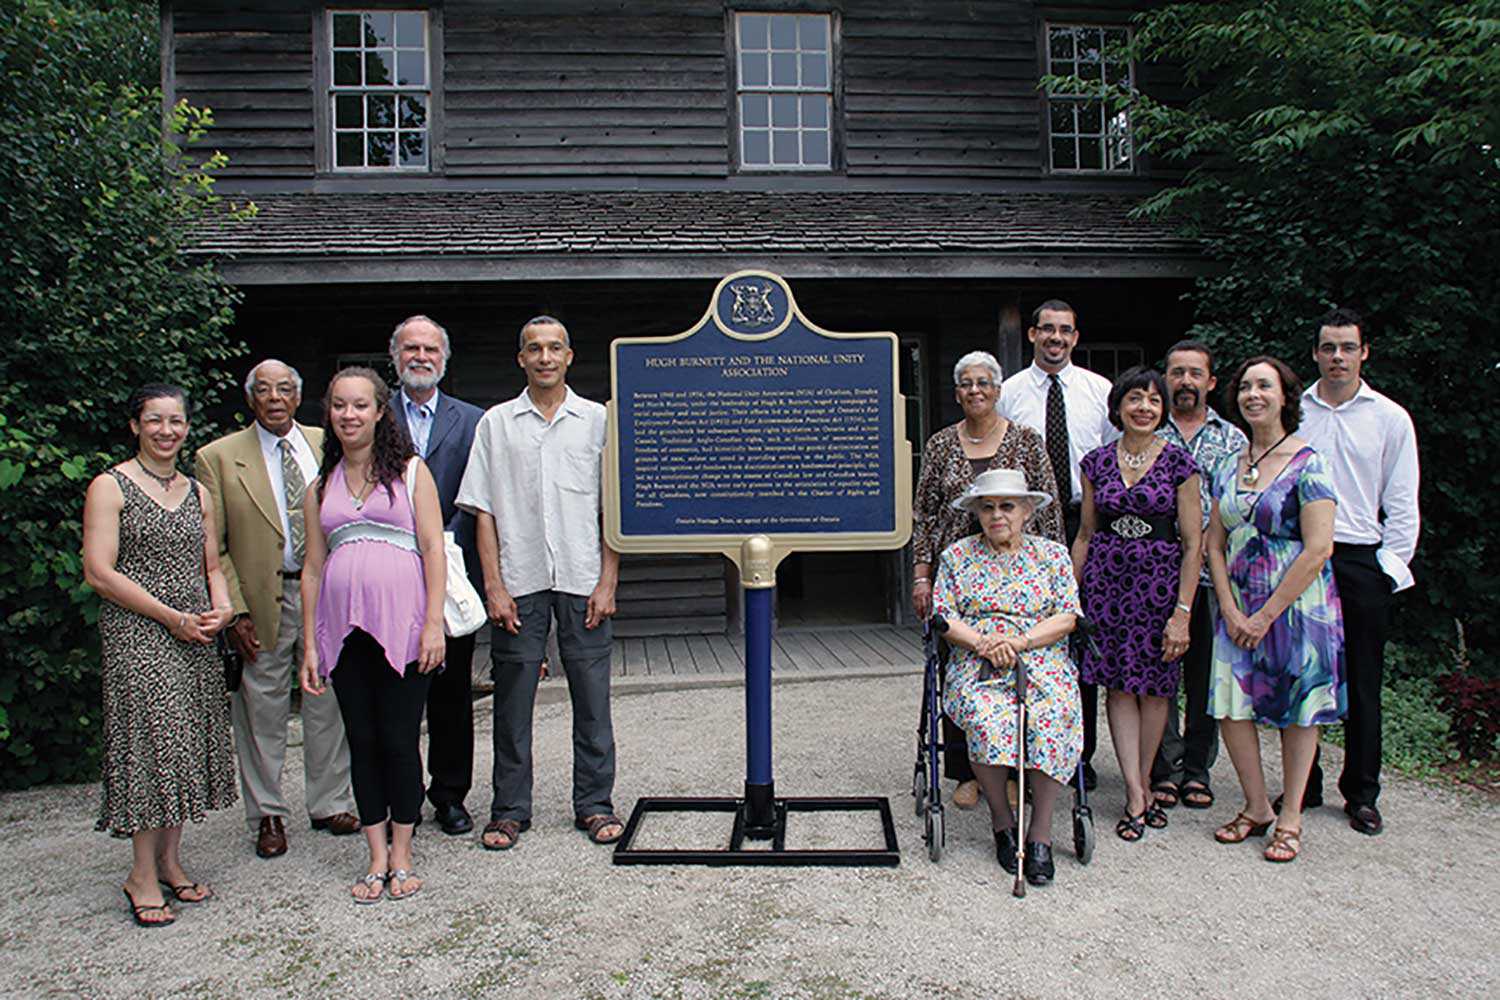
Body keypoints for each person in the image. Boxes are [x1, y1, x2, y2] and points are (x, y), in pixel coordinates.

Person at [456, 315, 622, 851]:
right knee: (512, 702)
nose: (545, 357)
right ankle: (509, 810)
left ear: (569, 357)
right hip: (520, 578)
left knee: (593, 701)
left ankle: (595, 805)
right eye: (534, 348)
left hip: (583, 578)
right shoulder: (497, 424)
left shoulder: (598, 422)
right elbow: (483, 512)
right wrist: (494, 587)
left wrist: (608, 581)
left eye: (554, 348)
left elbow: (612, 511)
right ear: (521, 359)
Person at [83, 385, 238, 926]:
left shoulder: (198, 492)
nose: (166, 430)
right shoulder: (112, 485)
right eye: (155, 420)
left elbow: (212, 566)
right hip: (142, 635)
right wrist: (169, 617)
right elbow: (100, 572)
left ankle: (171, 863)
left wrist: (223, 610)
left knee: (185, 746)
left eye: (176, 421)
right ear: (135, 425)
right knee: (153, 746)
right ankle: (140, 875)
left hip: (194, 633)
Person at [195, 360, 358, 860]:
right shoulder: (217, 457)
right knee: (261, 706)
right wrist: (235, 610)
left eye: (285, 389)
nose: (274, 398)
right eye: (263, 390)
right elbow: (212, 544)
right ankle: (267, 812)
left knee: (327, 698)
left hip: (326, 593)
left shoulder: (324, 442)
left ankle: (329, 801)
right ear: (251, 399)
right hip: (260, 598)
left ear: (298, 396)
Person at [299, 367, 447, 903]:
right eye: (339, 405)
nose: (349, 415)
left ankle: (404, 852)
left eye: (360, 405)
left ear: (381, 411)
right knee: (361, 741)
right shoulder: (320, 485)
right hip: (343, 633)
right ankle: (375, 855)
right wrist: (311, 644)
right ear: (329, 413)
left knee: (399, 739)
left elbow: (433, 547)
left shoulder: (410, 472)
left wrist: (434, 624)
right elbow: (313, 569)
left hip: (404, 628)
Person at [1206, 356, 1344, 864]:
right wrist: (1228, 605)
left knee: (1297, 708)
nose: (1252, 395)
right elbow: (1213, 543)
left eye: (1264, 386)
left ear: (1287, 396)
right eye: (1245, 387)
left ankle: (1291, 818)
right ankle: (1257, 805)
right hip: (1236, 602)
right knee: (1231, 706)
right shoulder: (1230, 464)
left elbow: (1319, 548)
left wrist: (1266, 615)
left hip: (1297, 607)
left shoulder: (1310, 462)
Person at [911, 350, 1063, 810]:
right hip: (959, 576)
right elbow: (924, 513)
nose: (975, 390)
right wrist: (922, 575)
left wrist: (1055, 575)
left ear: (998, 390)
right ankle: (967, 771)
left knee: (1025, 674)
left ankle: (1016, 769)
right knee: (961, 665)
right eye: (966, 383)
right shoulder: (940, 445)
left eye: (984, 383)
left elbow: (1050, 508)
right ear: (956, 392)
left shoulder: (1027, 440)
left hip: (1019, 575)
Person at [1296, 307, 1420, 836]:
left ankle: (1362, 791)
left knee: (1363, 681)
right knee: (1305, 676)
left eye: (1348, 347)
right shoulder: (1295, 410)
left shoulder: (1389, 418)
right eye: (1329, 347)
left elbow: (1402, 502)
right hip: (1301, 557)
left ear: (1364, 352)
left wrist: (1388, 571)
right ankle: (1306, 782)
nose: (1338, 357)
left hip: (1358, 556)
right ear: (1317, 353)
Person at [932, 468, 1082, 886]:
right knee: (986, 716)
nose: (998, 515)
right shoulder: (957, 557)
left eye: (1007, 506)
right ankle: (1002, 820)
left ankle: (1040, 833)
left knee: (1053, 712)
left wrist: (1020, 642)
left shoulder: (1052, 555)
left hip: (1040, 655)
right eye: (988, 507)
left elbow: (1068, 615)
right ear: (977, 513)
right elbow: (943, 617)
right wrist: (984, 642)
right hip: (976, 657)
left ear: (1028, 511)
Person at [1072, 366, 1202, 842]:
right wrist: (1072, 597)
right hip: (1106, 587)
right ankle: (1134, 791)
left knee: (1156, 690)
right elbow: (1086, 533)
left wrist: (1182, 612)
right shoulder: (1095, 462)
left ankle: (1145, 780)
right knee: (1118, 689)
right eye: (1134, 399)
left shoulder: (1180, 464)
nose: (1143, 407)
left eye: (1152, 400)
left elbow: (1193, 544)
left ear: (1163, 409)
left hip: (1159, 586)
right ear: (1119, 407)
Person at [999, 299, 1116, 789]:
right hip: (1024, 527)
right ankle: (1016, 752)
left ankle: (1077, 753)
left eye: (1065, 331)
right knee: (1025, 630)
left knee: (1077, 635)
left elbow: (1113, 457)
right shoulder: (1008, 393)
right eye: (1047, 330)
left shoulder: (1099, 391)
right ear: (1031, 335)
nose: (1056, 339)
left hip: (1085, 521)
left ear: (1075, 336)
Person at [388, 315, 486, 836]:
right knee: (397, 690)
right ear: (396, 356)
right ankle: (398, 794)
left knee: (451, 696)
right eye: (411, 349)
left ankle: (449, 794)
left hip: (453, 575)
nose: (420, 356)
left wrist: (442, 542)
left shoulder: (472, 420)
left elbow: (481, 497)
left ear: (444, 359)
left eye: (429, 348)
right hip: (389, 572)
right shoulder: (372, 416)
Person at [1148, 341, 1246, 813]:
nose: (1184, 382)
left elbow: (1238, 506)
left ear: (1210, 382)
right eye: (1176, 373)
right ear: (1165, 379)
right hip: (1156, 576)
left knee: (1205, 678)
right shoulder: (1148, 432)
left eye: (1194, 374)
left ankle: (1197, 769)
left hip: (1213, 577)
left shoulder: (1233, 440)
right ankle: (1164, 768)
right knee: (1160, 675)